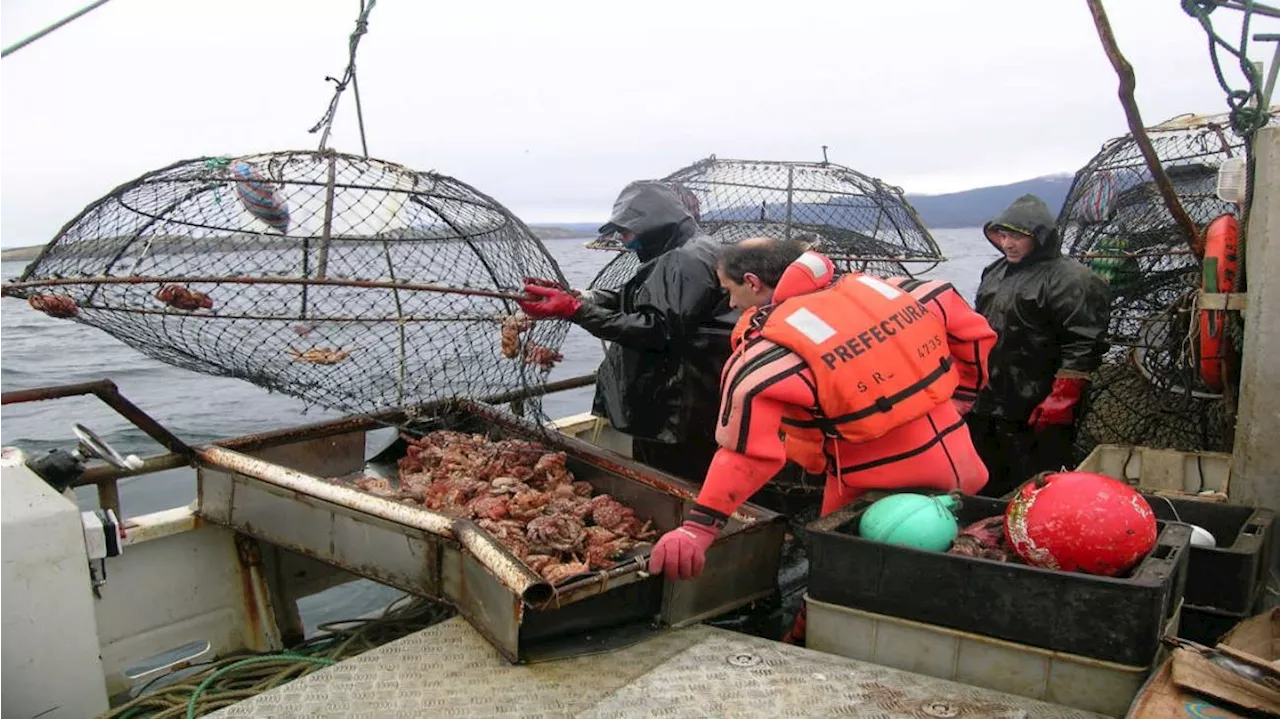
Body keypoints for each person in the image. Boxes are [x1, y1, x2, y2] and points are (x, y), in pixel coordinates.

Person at [646, 237, 995, 586]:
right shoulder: (901, 292)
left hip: (874, 490)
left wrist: (698, 529)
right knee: (960, 569)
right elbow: (976, 333)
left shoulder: (770, 356)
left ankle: (807, 628)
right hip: (965, 464)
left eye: (730, 290)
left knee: (836, 579)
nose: (731, 302)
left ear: (752, 282)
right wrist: (963, 396)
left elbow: (749, 456)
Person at [518, 181, 736, 482]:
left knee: (670, 483)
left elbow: (657, 330)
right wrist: (582, 296)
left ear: (654, 223)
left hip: (676, 412)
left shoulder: (683, 260)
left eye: (626, 230)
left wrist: (574, 310)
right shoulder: (691, 249)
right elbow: (639, 297)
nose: (622, 238)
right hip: (691, 401)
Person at [967, 194, 1111, 498]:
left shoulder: (1074, 280)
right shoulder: (994, 271)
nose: (1007, 243)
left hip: (1036, 404)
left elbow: (1085, 344)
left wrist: (1062, 399)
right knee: (986, 479)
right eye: (1002, 234)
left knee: (1037, 483)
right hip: (988, 399)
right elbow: (977, 325)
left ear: (1041, 237)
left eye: (1017, 236)